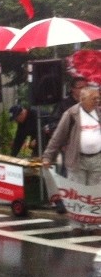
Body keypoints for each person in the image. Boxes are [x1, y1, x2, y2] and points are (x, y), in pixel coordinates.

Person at [42, 86, 101, 232]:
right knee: (77, 193)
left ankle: (94, 223)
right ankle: (77, 224)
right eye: (94, 98)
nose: (97, 101)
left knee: (95, 193)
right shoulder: (71, 114)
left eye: (98, 98)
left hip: (97, 158)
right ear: (83, 99)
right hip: (77, 159)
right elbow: (58, 136)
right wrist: (48, 156)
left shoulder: (99, 112)